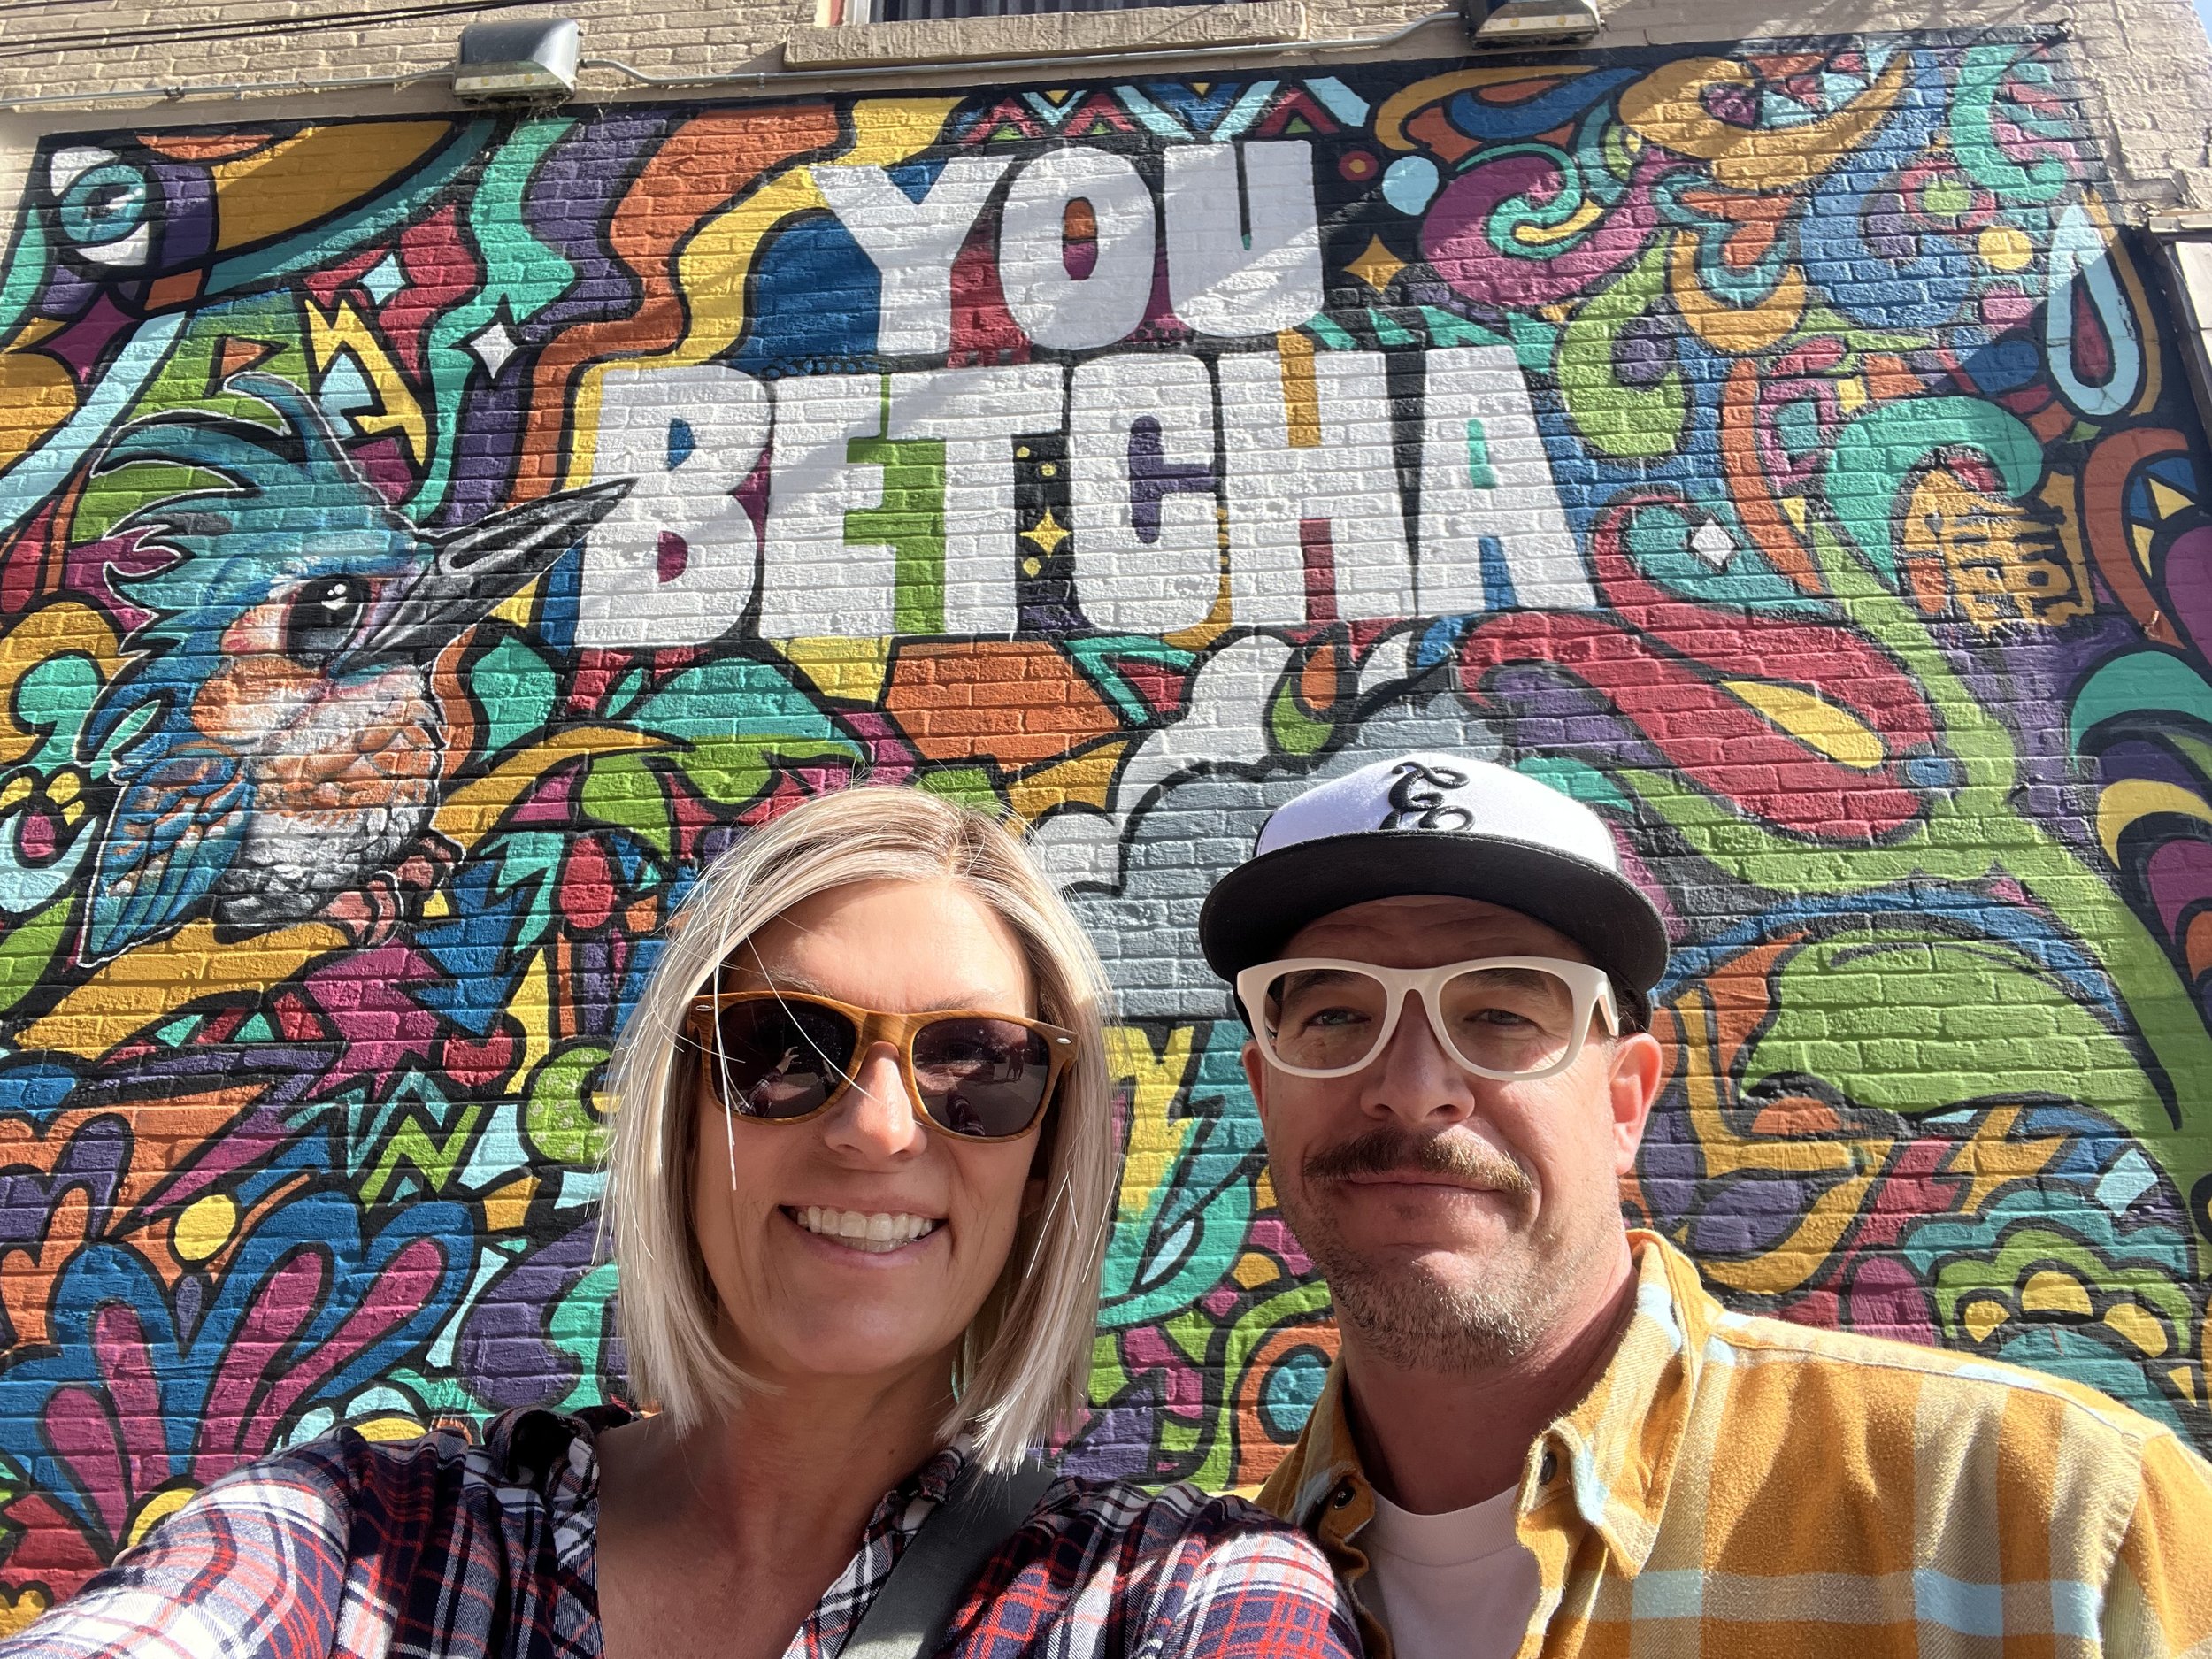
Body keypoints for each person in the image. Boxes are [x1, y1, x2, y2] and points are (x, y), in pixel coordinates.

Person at [4, 787, 1359, 1659]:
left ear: (1049, 1151)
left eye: (976, 1063)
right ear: (678, 1111)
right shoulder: (377, 1541)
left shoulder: (1168, 1598)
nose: (880, 1127)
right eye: (783, 1047)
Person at [1199, 750, 2212, 1658]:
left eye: (1500, 1013)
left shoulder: (2055, 1518)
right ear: (1263, 1090)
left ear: (1626, 1100)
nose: (1413, 1086)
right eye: (1333, 1012)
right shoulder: (1183, 1606)